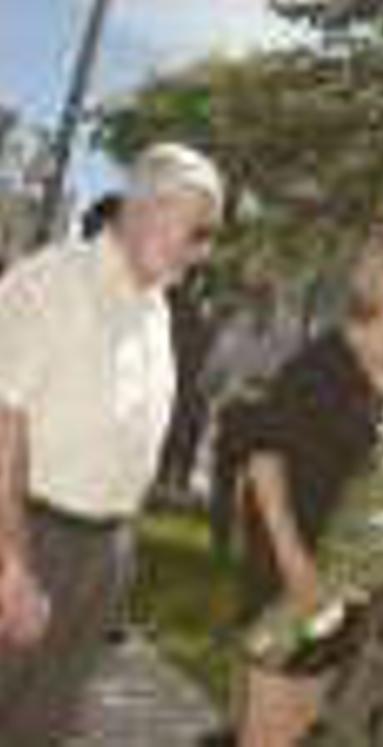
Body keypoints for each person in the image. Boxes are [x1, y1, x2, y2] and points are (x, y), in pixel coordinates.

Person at [0, 143, 224, 744]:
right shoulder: (53, 279)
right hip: (32, 534)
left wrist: (119, 550)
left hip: (105, 550)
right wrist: (11, 562)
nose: (203, 251)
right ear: (150, 206)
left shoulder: (156, 307)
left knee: (44, 719)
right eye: (198, 231)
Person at [234, 219, 383, 747]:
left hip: (350, 588)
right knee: (265, 732)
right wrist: (296, 570)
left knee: (302, 723)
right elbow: (264, 462)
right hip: (291, 576)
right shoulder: (323, 362)